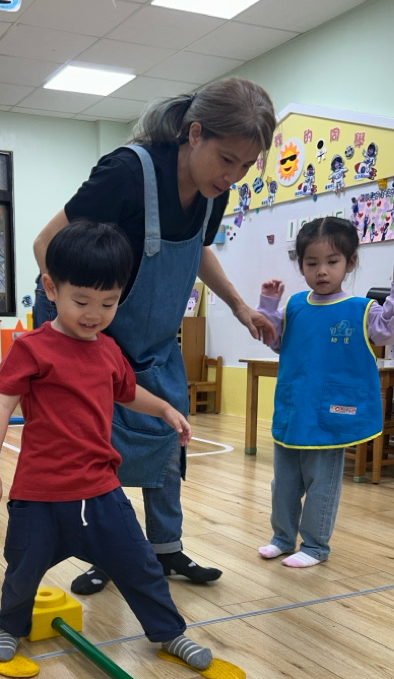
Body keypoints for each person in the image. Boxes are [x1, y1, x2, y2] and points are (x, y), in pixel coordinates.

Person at [32, 76, 277, 596]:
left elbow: (197, 248)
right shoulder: (127, 172)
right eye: (226, 159)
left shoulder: (212, 193)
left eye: (246, 166)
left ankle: (166, 549)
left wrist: (239, 306)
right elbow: (47, 243)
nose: (232, 176)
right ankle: (106, 552)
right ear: (195, 133)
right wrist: (76, 335)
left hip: (155, 340)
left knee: (170, 434)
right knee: (98, 449)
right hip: (89, 333)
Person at [0, 220, 213, 671]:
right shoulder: (32, 349)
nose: (94, 314)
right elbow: (1, 403)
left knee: (141, 565)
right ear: (51, 288)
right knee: (22, 569)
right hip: (39, 495)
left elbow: (127, 392)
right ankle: (10, 626)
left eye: (108, 303)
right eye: (81, 301)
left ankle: (170, 633)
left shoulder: (108, 350)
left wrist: (164, 408)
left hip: (101, 492)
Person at [256, 217, 394, 568]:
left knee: (322, 484)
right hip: (294, 408)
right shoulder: (295, 305)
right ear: (301, 265)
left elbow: (391, 332)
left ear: (350, 263)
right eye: (311, 263)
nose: (322, 271)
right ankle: (282, 538)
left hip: (331, 412)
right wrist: (268, 306)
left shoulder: (361, 309)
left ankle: (315, 547)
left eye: (332, 262)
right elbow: (274, 339)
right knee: (283, 482)